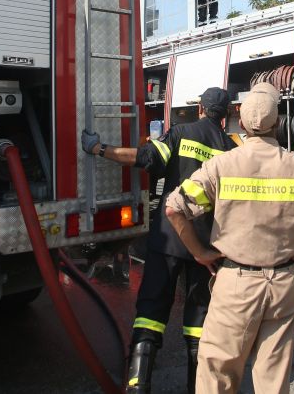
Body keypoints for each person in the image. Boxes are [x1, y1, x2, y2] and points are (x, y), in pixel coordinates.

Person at [165, 82, 294, 393]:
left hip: (236, 282)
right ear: (279, 123)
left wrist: (200, 253)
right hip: (285, 282)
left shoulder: (221, 166)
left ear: (240, 123)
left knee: (217, 373)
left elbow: (175, 209)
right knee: (273, 377)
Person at [81, 87, 236, 394]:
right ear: (226, 115)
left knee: (151, 313)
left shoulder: (180, 134)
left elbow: (142, 158)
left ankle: (138, 385)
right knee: (199, 322)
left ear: (201, 109)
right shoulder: (231, 149)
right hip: (207, 248)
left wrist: (98, 148)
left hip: (169, 238)